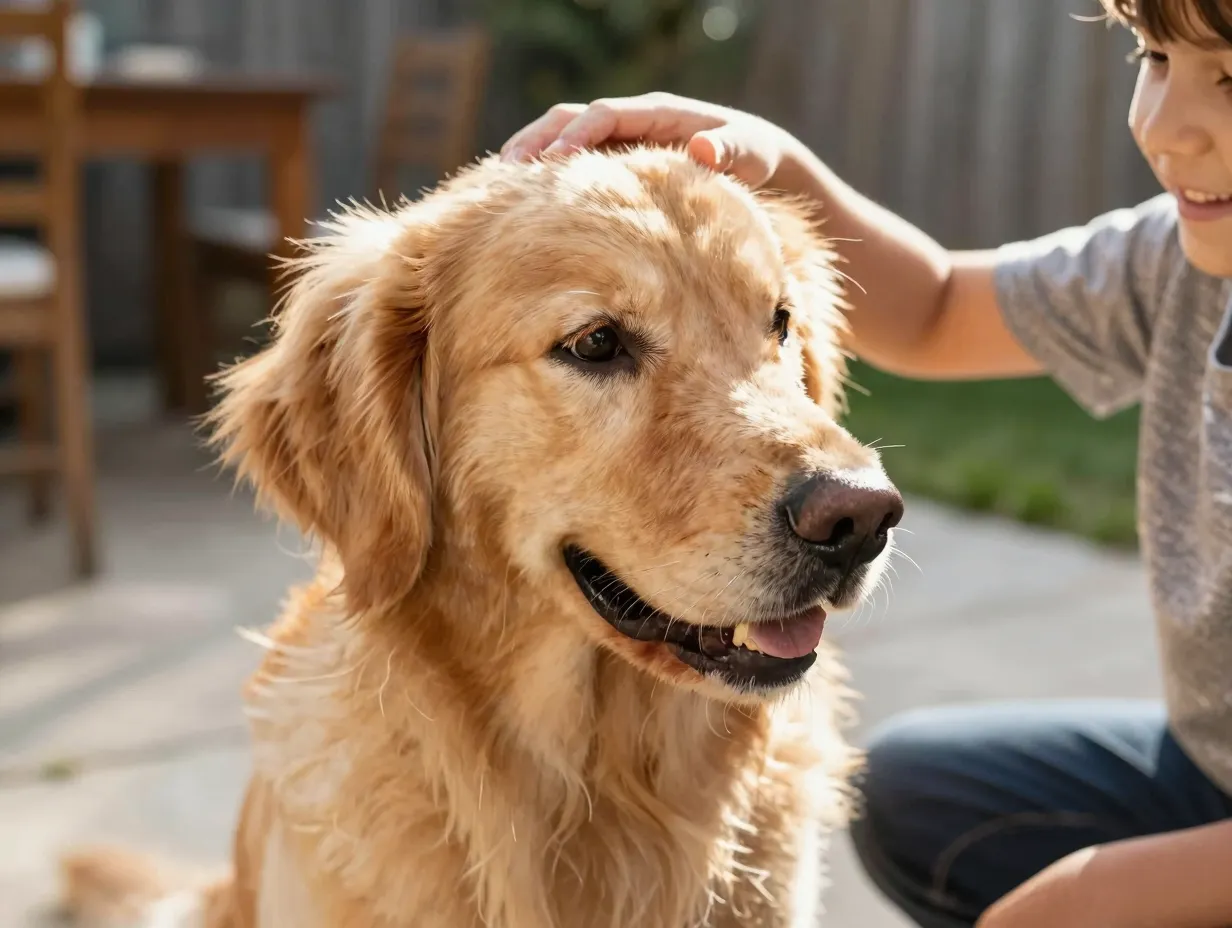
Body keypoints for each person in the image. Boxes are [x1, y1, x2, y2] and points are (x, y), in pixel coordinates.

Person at [499, 1, 1232, 926]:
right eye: (1156, 55)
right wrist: (777, 159)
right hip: (1213, 770)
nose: (1168, 128)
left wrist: (1094, 895)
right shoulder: (1176, 264)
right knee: (921, 794)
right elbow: (933, 309)